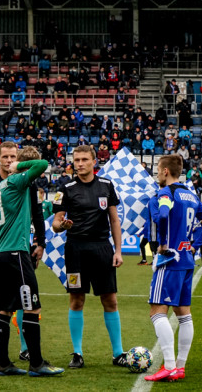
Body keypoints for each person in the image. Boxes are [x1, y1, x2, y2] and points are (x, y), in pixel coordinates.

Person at [0, 146, 63, 377]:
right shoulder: (17, 181)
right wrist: (20, 166)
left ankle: (3, 364)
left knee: (4, 309)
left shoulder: (1, 187)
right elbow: (43, 165)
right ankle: (36, 364)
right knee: (32, 307)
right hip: (16, 253)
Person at [51, 145, 128, 369]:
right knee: (76, 300)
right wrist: (61, 225)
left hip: (102, 249)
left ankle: (118, 353)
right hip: (75, 249)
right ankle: (77, 353)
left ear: (94, 161)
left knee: (110, 300)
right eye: (76, 160)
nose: (80, 163)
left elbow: (114, 220)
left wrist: (118, 251)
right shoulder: (65, 188)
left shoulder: (106, 186)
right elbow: (56, 222)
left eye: (85, 159)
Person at [144, 155, 202, 382]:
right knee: (183, 314)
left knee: (157, 311)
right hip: (186, 259)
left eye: (158, 169)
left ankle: (168, 365)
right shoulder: (191, 195)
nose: (157, 173)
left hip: (170, 259)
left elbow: (163, 214)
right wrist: (194, 246)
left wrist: (164, 242)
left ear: (166, 171)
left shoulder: (167, 193)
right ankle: (180, 366)